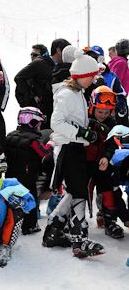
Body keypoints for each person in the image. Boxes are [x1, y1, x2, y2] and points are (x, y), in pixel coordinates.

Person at [45, 49, 106, 258]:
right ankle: (80, 241)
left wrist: (91, 127)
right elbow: (56, 123)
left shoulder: (78, 92)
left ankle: (52, 231)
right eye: (92, 75)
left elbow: (76, 120)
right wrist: (81, 132)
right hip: (67, 148)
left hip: (75, 146)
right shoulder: (67, 94)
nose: (94, 79)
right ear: (81, 75)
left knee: (73, 191)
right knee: (79, 192)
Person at [5, 107, 55, 235]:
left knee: (12, 199)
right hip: (27, 176)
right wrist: (51, 143)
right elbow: (43, 152)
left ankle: (9, 223)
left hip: (11, 175)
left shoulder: (10, 135)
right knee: (29, 200)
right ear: (32, 123)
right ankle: (29, 225)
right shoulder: (33, 140)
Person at [84, 86, 122, 238]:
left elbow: (113, 143)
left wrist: (106, 156)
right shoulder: (84, 118)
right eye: (100, 111)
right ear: (92, 107)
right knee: (78, 192)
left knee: (107, 190)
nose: (103, 115)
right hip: (83, 162)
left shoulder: (112, 122)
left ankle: (110, 220)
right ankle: (74, 221)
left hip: (101, 162)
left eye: (107, 112)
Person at [14, 38, 71, 128]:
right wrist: (31, 94)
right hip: (42, 112)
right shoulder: (39, 64)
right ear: (59, 51)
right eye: (66, 52)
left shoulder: (63, 66)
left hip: (57, 110)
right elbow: (19, 77)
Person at [85, 45, 128, 125]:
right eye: (90, 58)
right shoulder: (84, 75)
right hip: (88, 118)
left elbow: (121, 96)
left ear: (101, 59)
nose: (93, 61)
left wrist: (113, 110)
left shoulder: (112, 77)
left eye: (95, 58)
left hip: (107, 118)